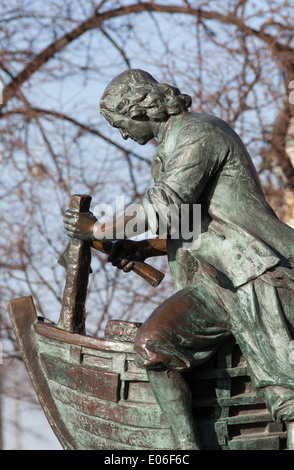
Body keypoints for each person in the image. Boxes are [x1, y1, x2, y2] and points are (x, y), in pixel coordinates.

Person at [64, 69, 294, 450]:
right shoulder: (169, 146)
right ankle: (187, 448)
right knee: (153, 344)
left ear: (141, 109)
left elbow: (167, 205)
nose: (122, 134)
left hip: (255, 271)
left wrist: (99, 230)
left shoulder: (199, 133)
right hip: (213, 280)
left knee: (285, 391)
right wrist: (144, 249)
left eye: (120, 124)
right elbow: (190, 222)